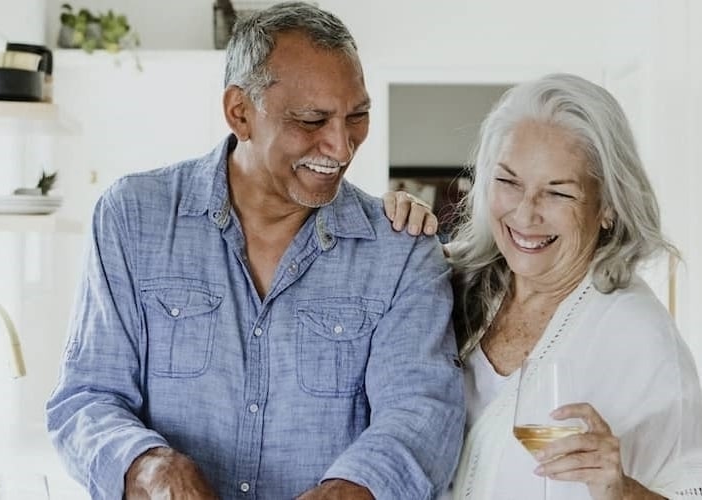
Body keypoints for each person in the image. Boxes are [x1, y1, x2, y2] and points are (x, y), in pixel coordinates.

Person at [45, 3, 465, 499]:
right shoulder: (133, 218)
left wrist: (353, 488)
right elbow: (88, 397)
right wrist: (148, 467)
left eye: (357, 116)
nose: (341, 146)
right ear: (240, 112)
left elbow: (422, 412)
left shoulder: (401, 251)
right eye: (311, 120)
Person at [385, 73, 702, 499]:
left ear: (607, 205)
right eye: (509, 182)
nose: (525, 213)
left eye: (558, 193)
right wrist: (387, 229)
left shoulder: (639, 336)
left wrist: (622, 490)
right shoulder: (449, 283)